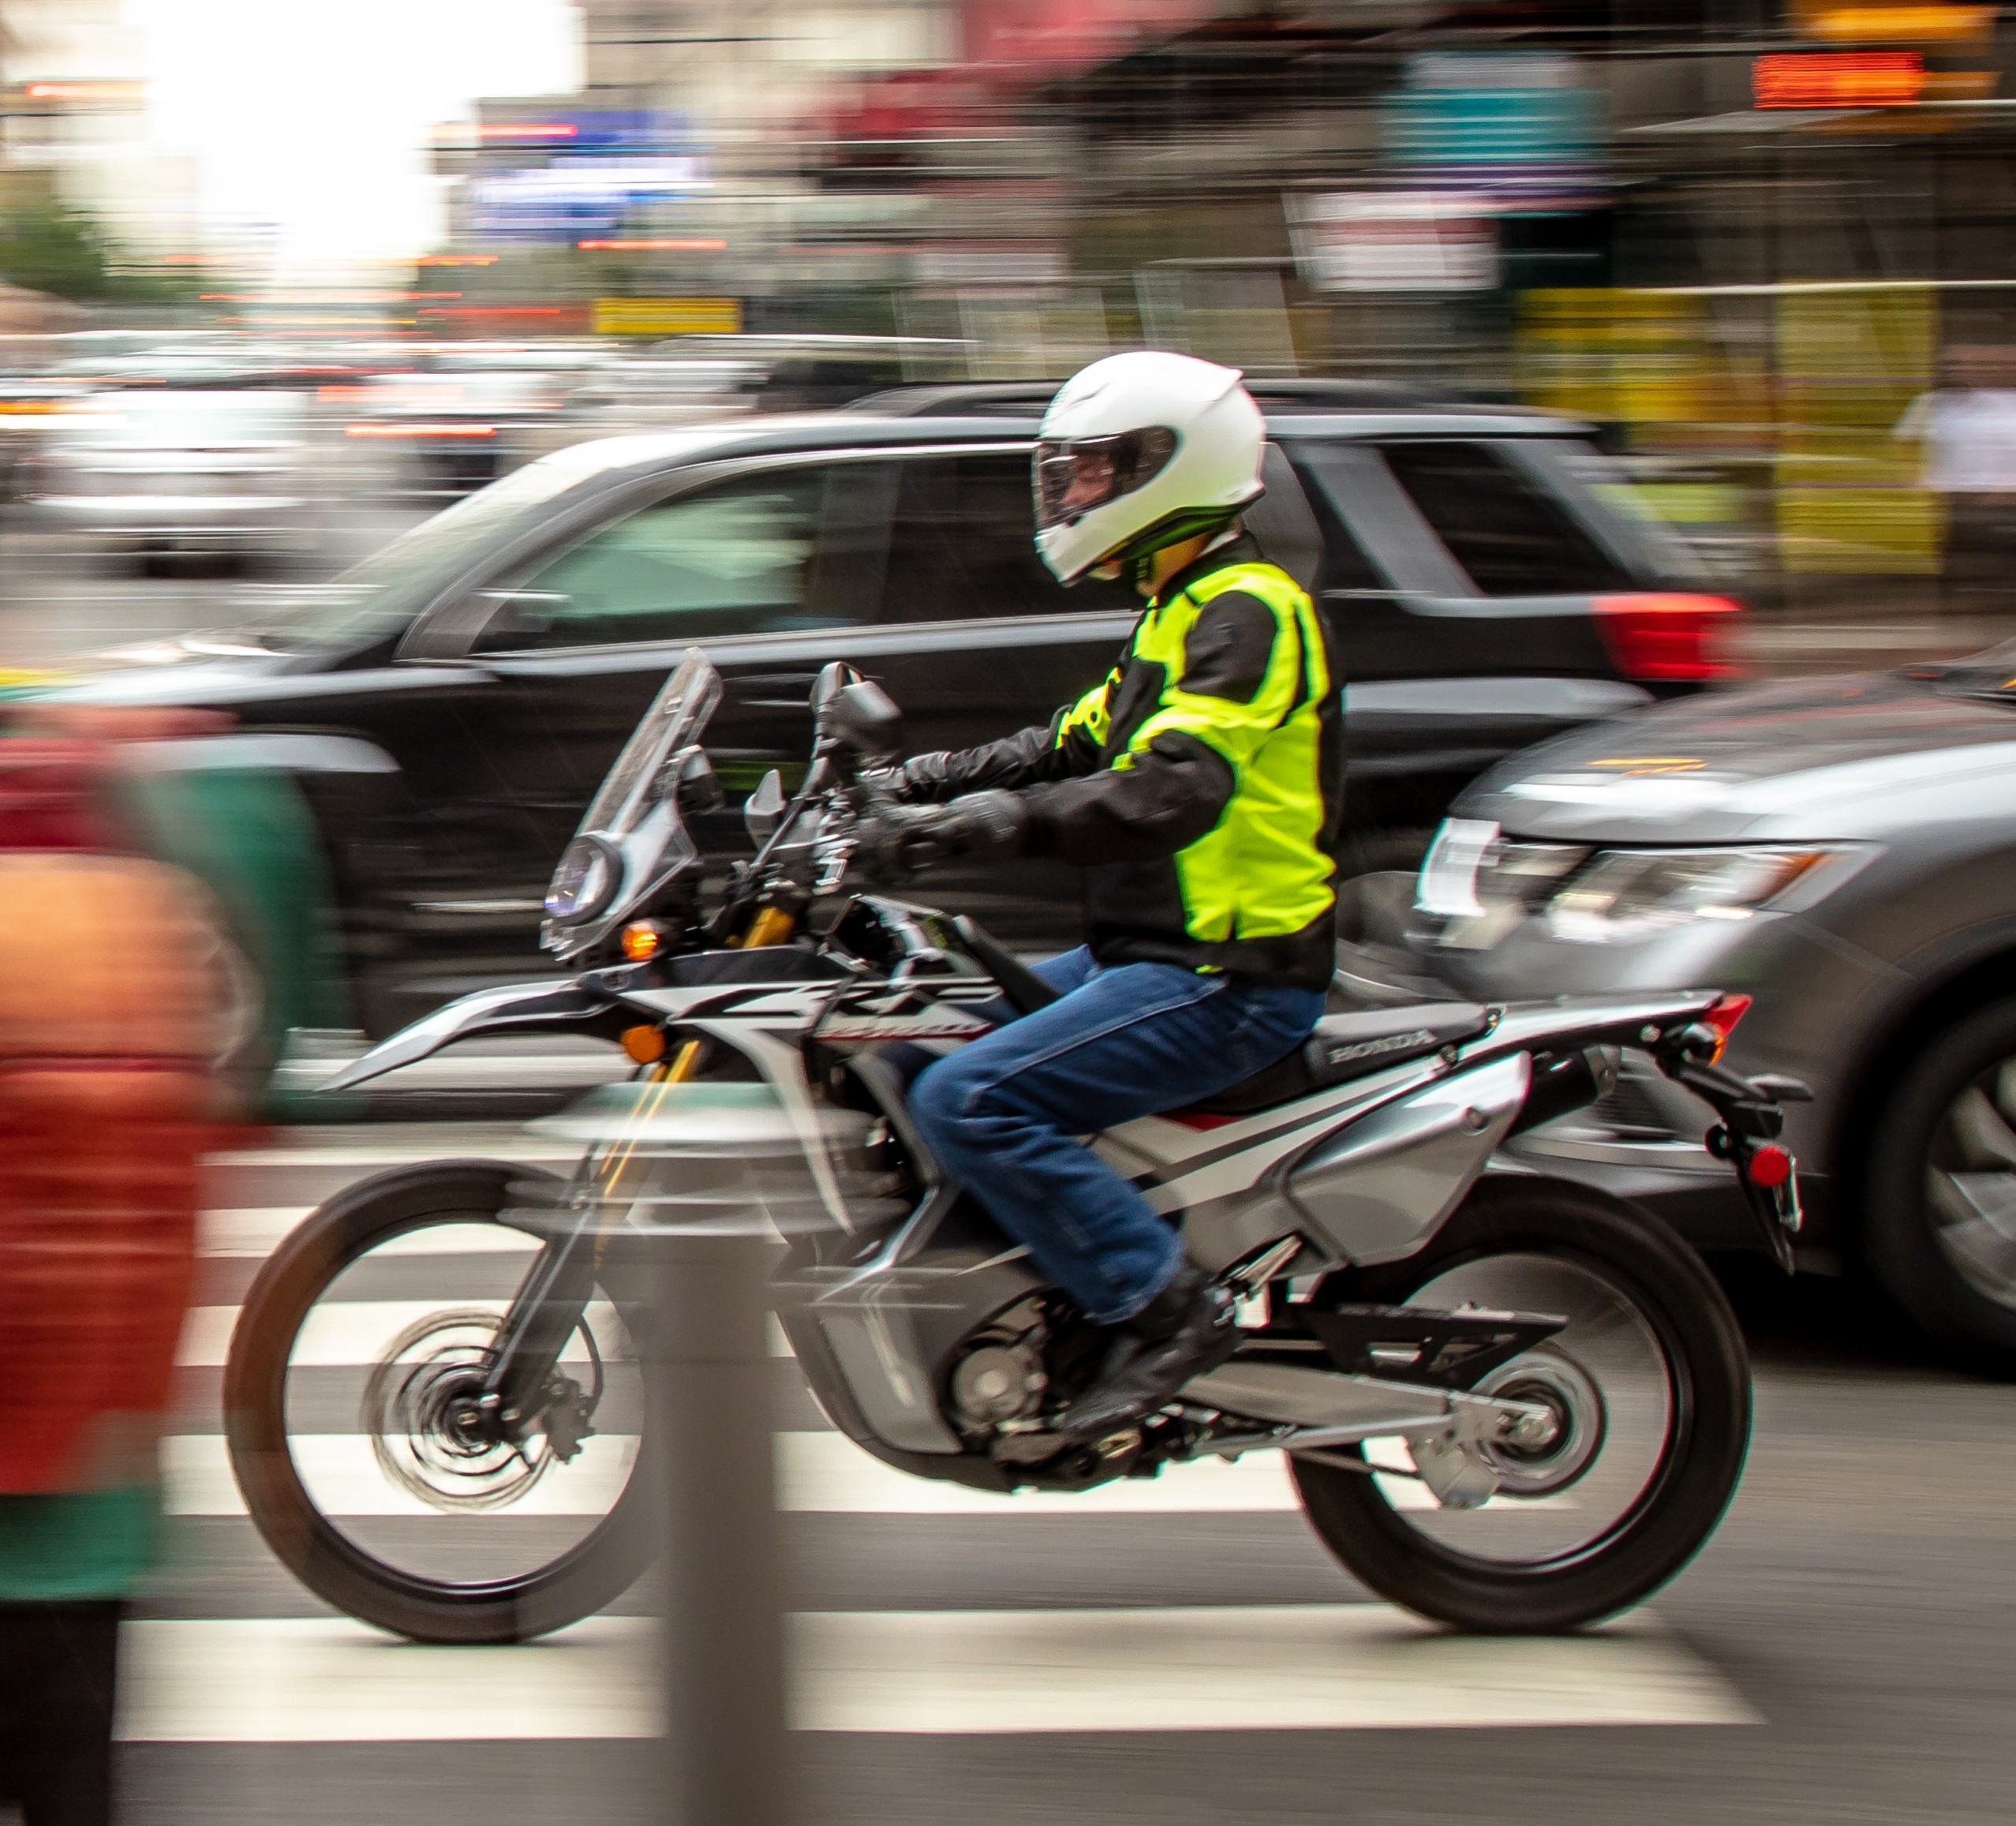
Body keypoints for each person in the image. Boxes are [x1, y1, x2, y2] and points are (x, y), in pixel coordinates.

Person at [856, 350, 1344, 1442]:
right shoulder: (1176, 613)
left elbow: (1170, 786)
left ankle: (1161, 1306)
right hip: (1145, 956)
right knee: (898, 1040)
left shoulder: (1251, 614)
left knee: (967, 1097)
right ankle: (1027, 1286)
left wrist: (988, 828)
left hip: (1226, 974)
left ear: (1168, 469)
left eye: (1087, 472)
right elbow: (1059, 745)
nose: (1068, 495)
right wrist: (912, 787)